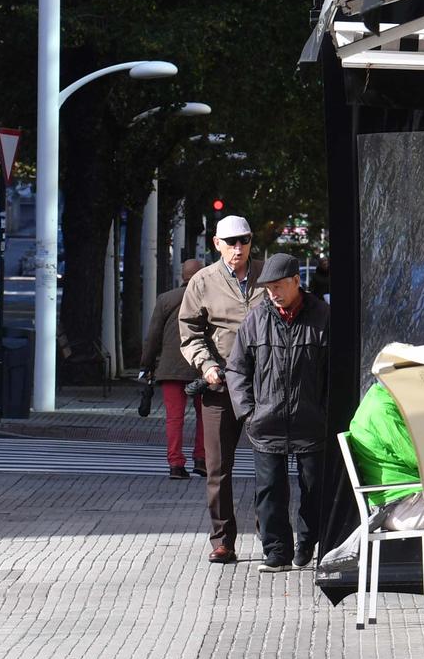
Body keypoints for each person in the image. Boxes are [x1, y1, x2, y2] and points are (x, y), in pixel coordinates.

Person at [225, 252, 330, 571]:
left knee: (314, 490)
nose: (273, 293)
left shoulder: (323, 316)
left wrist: (328, 412)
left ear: (297, 281)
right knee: (269, 491)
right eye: (268, 287)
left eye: (278, 286)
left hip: (312, 422)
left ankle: (308, 544)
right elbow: (237, 368)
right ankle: (276, 552)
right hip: (266, 421)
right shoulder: (257, 319)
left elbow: (337, 371)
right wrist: (247, 413)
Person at [178, 214, 267, 563]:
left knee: (269, 464)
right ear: (216, 244)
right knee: (217, 468)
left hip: (264, 386)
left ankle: (271, 537)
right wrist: (207, 365)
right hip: (220, 386)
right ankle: (222, 540)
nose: (237, 248)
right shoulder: (202, 281)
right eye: (230, 242)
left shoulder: (266, 275)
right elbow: (189, 331)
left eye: (243, 240)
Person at [140, 257, 207, 479]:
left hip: (170, 368)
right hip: (202, 368)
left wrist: (146, 366)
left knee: (174, 418)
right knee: (205, 416)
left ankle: (175, 464)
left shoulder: (166, 299)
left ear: (182, 276)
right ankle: (201, 459)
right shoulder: (210, 299)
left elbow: (153, 338)